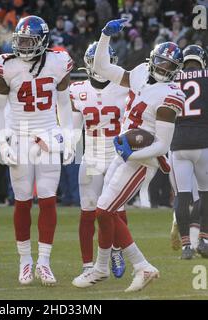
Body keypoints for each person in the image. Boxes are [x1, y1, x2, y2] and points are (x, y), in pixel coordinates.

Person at [72, 19, 185, 292]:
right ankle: (113, 267)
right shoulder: (139, 72)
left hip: (142, 158)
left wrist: (131, 154)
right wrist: (104, 36)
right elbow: (101, 67)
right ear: (152, 59)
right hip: (124, 152)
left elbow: (161, 145)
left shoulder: (170, 96)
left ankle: (132, 267)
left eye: (169, 66)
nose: (162, 68)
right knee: (104, 211)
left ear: (176, 71)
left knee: (104, 210)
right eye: (160, 61)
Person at [0, 15, 74, 286]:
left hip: (48, 134)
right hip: (19, 136)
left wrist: (68, 136)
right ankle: (25, 261)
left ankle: (44, 262)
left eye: (29, 41)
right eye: (21, 40)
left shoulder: (58, 62)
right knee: (23, 200)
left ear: (42, 41)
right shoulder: (6, 65)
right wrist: (2, 141)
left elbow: (64, 104)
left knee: (49, 200)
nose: (24, 46)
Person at [70, 42, 128, 279]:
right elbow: (74, 130)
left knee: (117, 211)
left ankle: (116, 250)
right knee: (88, 211)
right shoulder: (77, 89)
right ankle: (87, 265)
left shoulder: (125, 88)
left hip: (117, 158)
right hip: (91, 158)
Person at [170, 44, 208, 259]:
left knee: (182, 195)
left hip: (179, 143)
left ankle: (186, 247)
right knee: (205, 193)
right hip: (203, 142)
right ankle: (203, 240)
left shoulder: (172, 78)